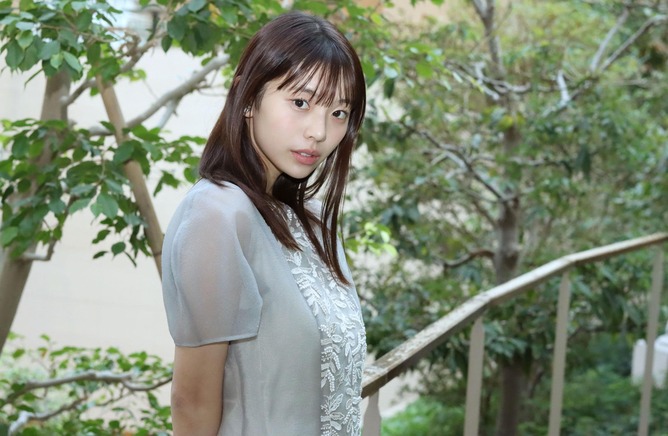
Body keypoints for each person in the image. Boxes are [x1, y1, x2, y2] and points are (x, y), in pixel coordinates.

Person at [161, 10, 367, 436]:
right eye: (300, 103)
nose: (319, 131)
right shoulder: (217, 215)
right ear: (249, 97)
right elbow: (192, 402)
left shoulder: (308, 220)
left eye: (338, 112)